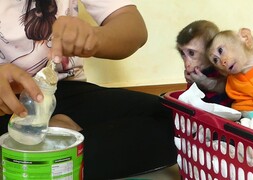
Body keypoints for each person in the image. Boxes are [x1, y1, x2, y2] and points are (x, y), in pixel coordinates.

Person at [0, 1, 177, 179]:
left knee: (178, 123)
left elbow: (132, 27)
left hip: (67, 91)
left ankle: (29, 164)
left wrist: (94, 37)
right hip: (7, 106)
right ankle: (58, 156)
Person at [176, 20, 233, 107]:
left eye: (191, 53)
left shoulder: (224, 66)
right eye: (182, 53)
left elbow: (231, 87)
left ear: (210, 50)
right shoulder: (199, 71)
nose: (187, 64)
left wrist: (207, 83)